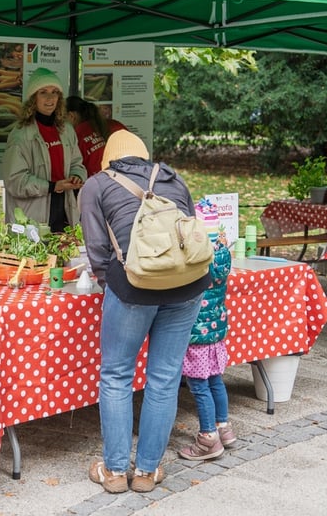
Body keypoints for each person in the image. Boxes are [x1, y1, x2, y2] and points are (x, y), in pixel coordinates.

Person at [78, 129, 210, 494]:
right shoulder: (172, 177)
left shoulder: (96, 185)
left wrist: (118, 288)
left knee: (117, 375)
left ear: (108, 160)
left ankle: (116, 471)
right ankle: (148, 472)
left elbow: (97, 251)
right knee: (165, 379)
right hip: (188, 286)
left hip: (135, 288)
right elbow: (189, 236)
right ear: (144, 157)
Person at [177, 206, 236, 460]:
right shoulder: (223, 254)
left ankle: (208, 438)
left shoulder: (200, 257)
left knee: (199, 387)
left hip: (197, 333)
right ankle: (224, 428)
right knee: (215, 381)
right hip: (215, 331)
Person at [2, 67, 86, 231]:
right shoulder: (21, 135)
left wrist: (77, 175)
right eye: (43, 92)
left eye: (55, 92)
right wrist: (52, 186)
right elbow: (15, 181)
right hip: (32, 216)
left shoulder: (66, 130)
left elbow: (77, 163)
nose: (50, 98)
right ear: (33, 98)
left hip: (65, 208)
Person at [66, 95, 127, 177]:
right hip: (131, 178)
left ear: (71, 116)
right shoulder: (115, 125)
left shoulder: (78, 133)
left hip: (100, 184)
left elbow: (73, 169)